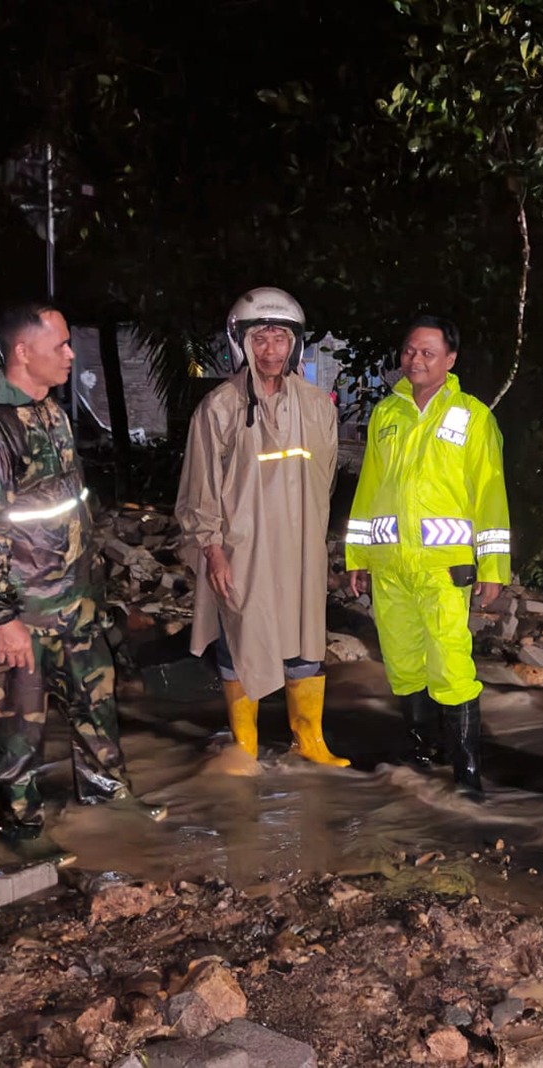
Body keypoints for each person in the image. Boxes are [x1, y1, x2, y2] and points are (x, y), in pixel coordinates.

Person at [0, 302, 164, 861]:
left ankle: (108, 797)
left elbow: (66, 510)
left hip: (75, 603)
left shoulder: (52, 414)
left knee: (97, 704)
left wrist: (92, 591)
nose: (70, 354)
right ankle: (20, 830)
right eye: (60, 345)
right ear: (23, 351)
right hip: (23, 612)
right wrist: (2, 619)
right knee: (17, 728)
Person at [175, 287, 342, 774]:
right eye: (261, 339)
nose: (271, 350)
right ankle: (244, 746)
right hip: (242, 550)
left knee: (305, 639)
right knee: (241, 637)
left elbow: (326, 479)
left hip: (302, 548)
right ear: (242, 343)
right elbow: (200, 487)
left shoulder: (318, 406)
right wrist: (212, 549)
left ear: (295, 344)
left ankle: (309, 740)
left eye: (280, 339)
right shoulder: (219, 408)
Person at [345, 315, 510, 800]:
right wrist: (357, 556)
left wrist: (494, 567)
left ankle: (467, 775)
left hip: (445, 568)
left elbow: (490, 493)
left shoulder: (472, 416)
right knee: (401, 663)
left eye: (428, 353)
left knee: (451, 666)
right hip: (390, 566)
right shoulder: (386, 415)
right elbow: (369, 488)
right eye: (410, 351)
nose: (415, 360)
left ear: (450, 360)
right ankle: (421, 752)